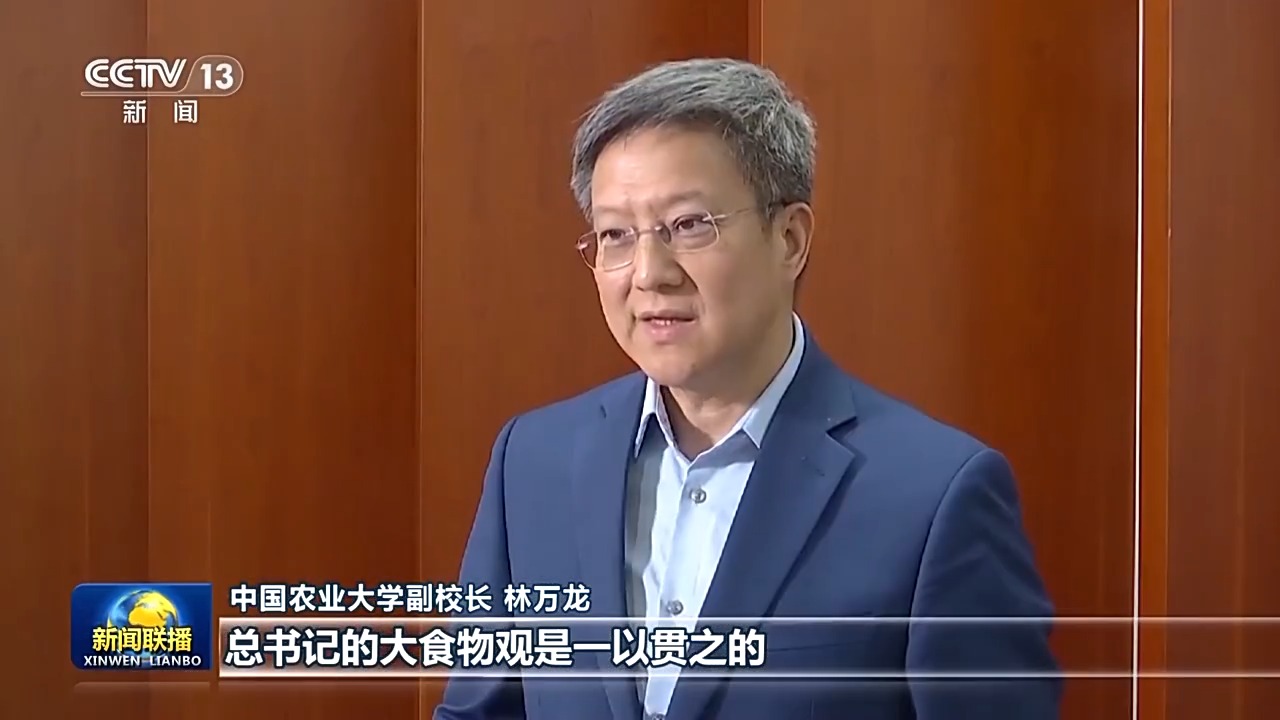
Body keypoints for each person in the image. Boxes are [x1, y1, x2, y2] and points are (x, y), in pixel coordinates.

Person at [434, 58, 1060, 720]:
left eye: (689, 225)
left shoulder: (934, 495)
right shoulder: (533, 463)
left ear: (789, 238)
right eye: (616, 234)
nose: (648, 273)